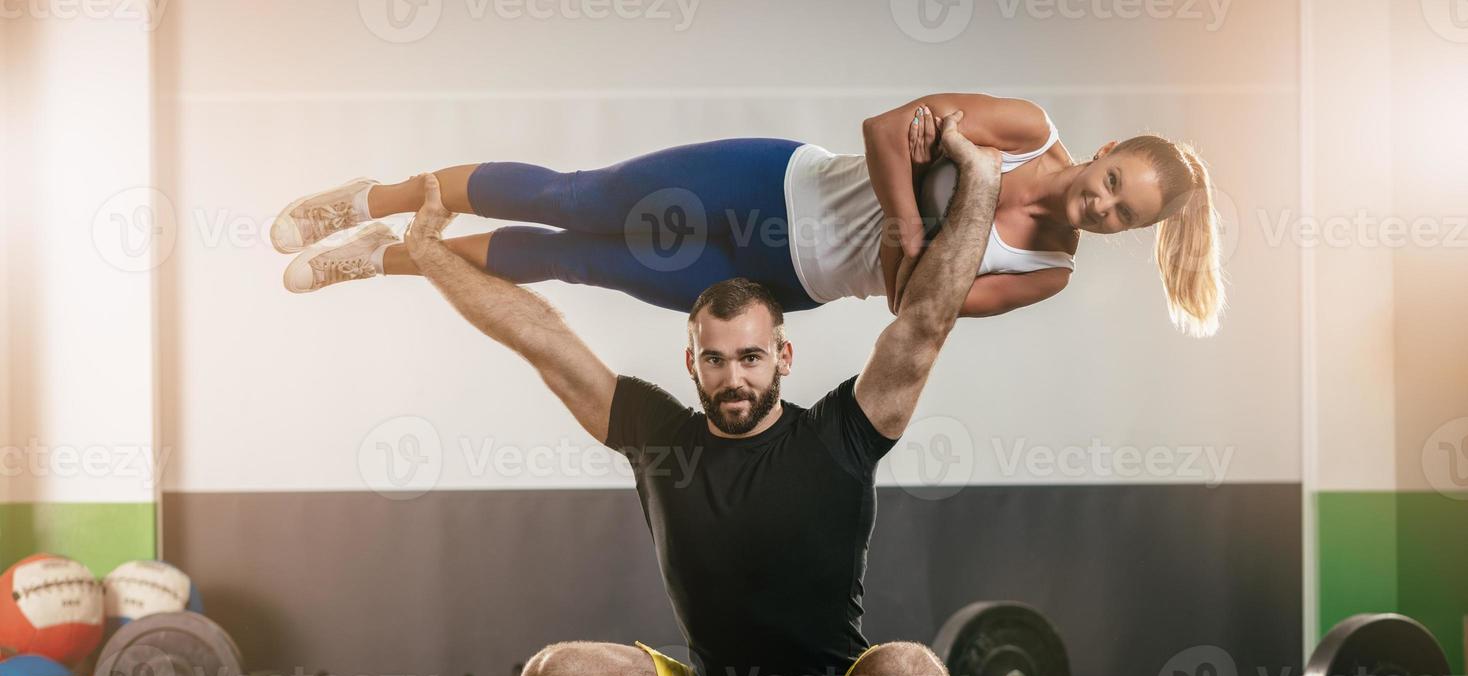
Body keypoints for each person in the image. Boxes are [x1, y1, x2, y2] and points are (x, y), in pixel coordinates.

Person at [400, 116, 1001, 676]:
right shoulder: (657, 435)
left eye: (750, 356)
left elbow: (925, 321)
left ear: (782, 356)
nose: (733, 377)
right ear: (692, 361)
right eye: (714, 359)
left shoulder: (842, 436)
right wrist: (428, 257)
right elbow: (538, 335)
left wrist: (983, 185)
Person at [273, 93, 1226, 336]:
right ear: (1103, 154)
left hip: (787, 284)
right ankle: (375, 199)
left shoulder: (1046, 276)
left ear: (1130, 235)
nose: (1100, 207)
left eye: (1121, 218)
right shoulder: (1025, 129)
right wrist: (917, 239)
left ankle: (387, 257)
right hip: (772, 185)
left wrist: (911, 216)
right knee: (577, 200)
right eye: (1113, 185)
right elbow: (883, 128)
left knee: (579, 263)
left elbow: (914, 316)